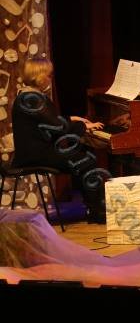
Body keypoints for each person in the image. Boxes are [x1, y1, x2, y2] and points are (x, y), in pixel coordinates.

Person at [12, 57, 107, 222]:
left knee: (82, 158)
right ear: (39, 76)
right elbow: (57, 127)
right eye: (48, 75)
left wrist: (72, 119)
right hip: (35, 154)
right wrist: (84, 127)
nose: (50, 78)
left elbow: (49, 120)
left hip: (36, 151)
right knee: (85, 161)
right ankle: (97, 212)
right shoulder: (32, 99)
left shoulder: (28, 96)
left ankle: (94, 208)